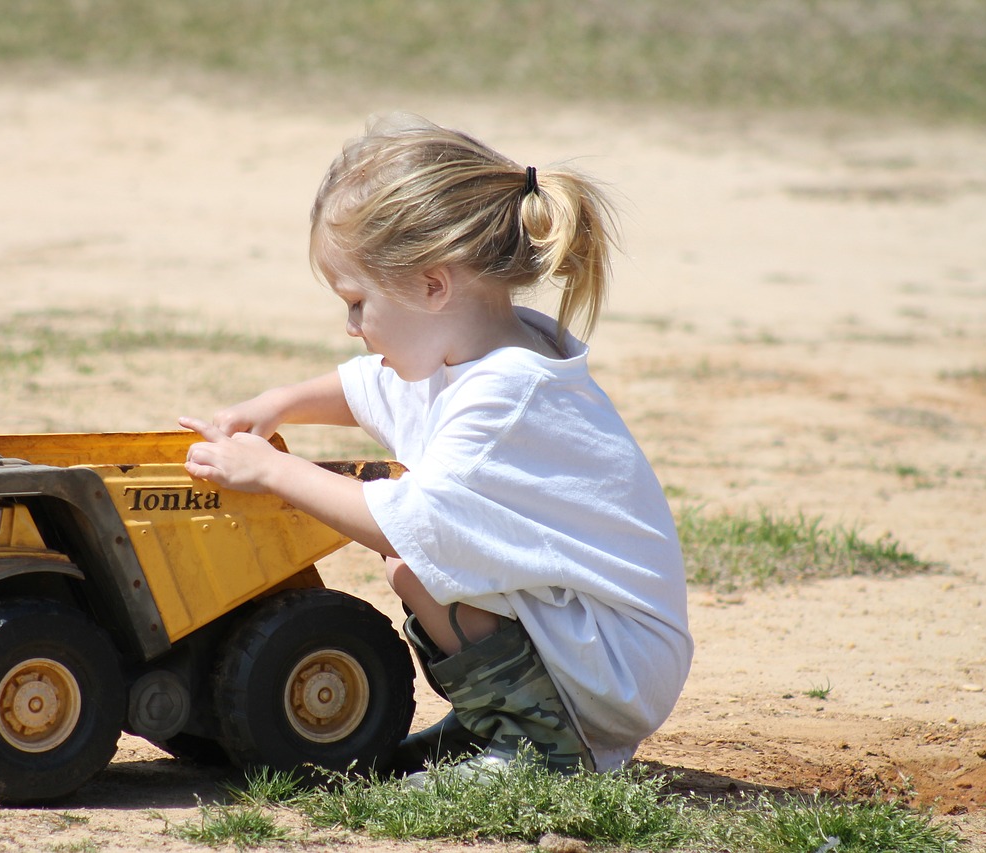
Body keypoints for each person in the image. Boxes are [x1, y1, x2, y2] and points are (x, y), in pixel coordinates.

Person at [180, 115, 692, 782]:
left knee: (415, 560)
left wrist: (274, 470)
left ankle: (541, 749)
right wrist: (274, 404)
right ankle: (496, 720)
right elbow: (366, 387)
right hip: (600, 646)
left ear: (432, 284)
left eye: (359, 302)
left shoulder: (504, 397)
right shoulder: (479, 349)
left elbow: (407, 519)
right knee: (417, 566)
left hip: (613, 665)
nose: (351, 325)